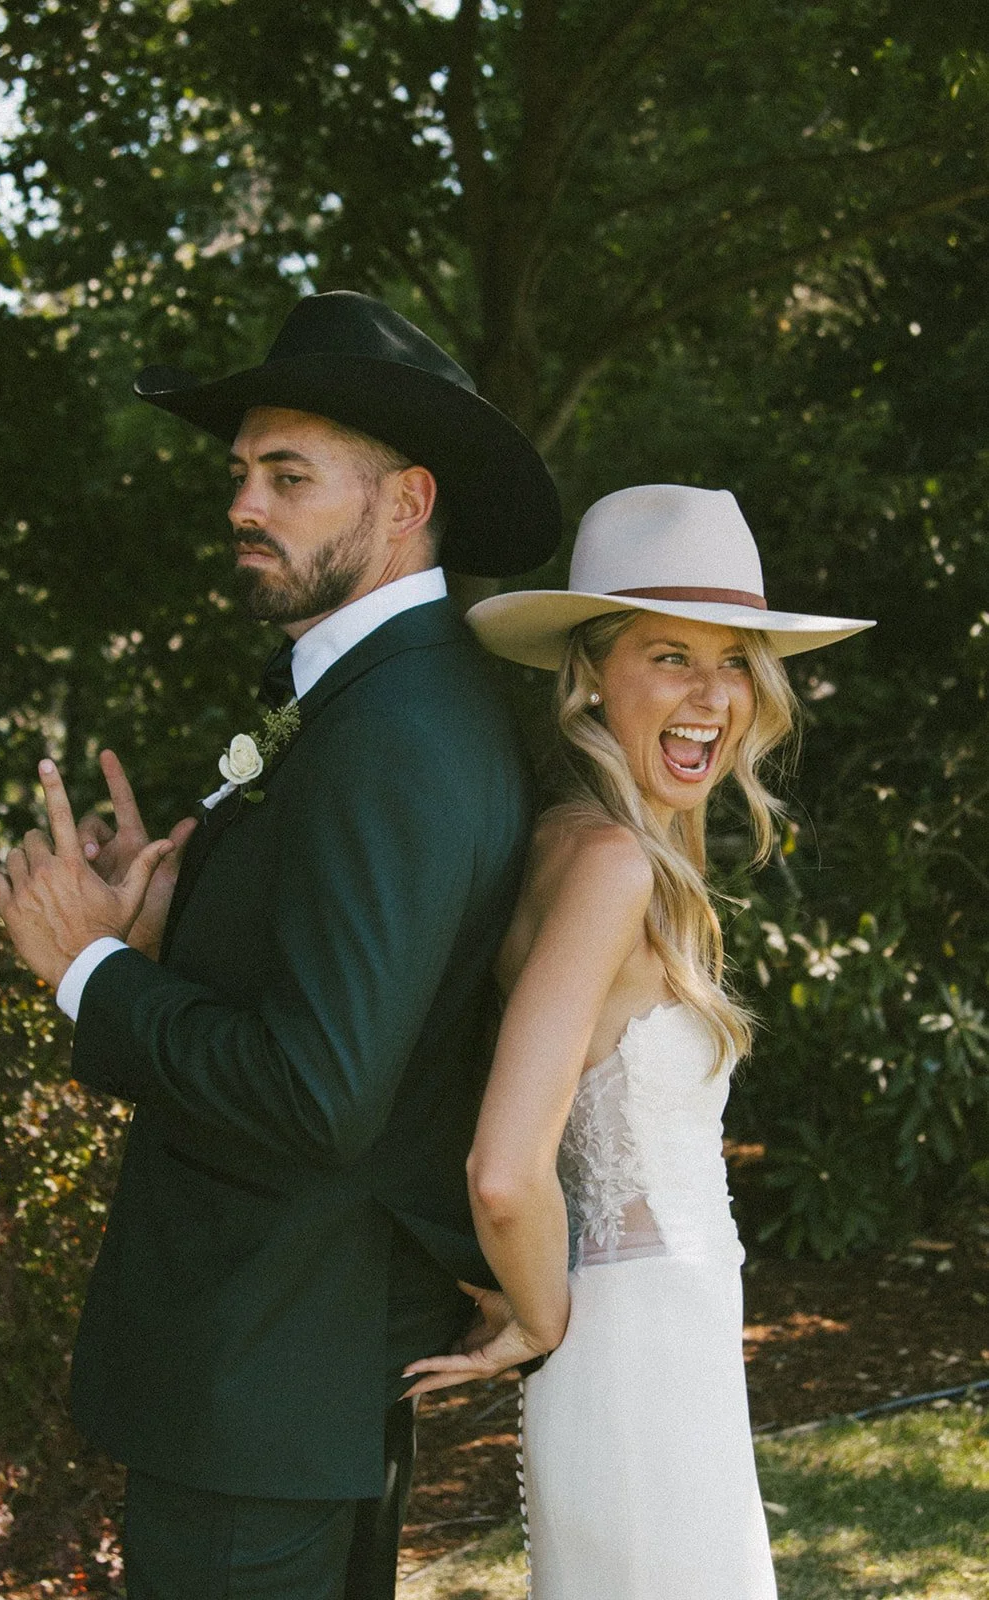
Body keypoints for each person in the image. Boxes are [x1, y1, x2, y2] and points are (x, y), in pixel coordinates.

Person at [0, 290, 561, 1600]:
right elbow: (333, 1000)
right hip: (282, 1381)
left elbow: (320, 1096)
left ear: (406, 500)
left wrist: (90, 973)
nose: (242, 504)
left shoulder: (399, 733)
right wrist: (159, 926)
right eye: (241, 471)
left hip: (267, 1373)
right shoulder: (378, 706)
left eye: (287, 475)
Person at [402, 484, 874, 1599]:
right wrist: (539, 1313)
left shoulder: (590, 845)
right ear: (588, 672)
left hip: (668, 1348)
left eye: (736, 661)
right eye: (670, 656)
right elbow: (506, 1172)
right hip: (635, 1359)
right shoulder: (612, 867)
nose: (714, 695)